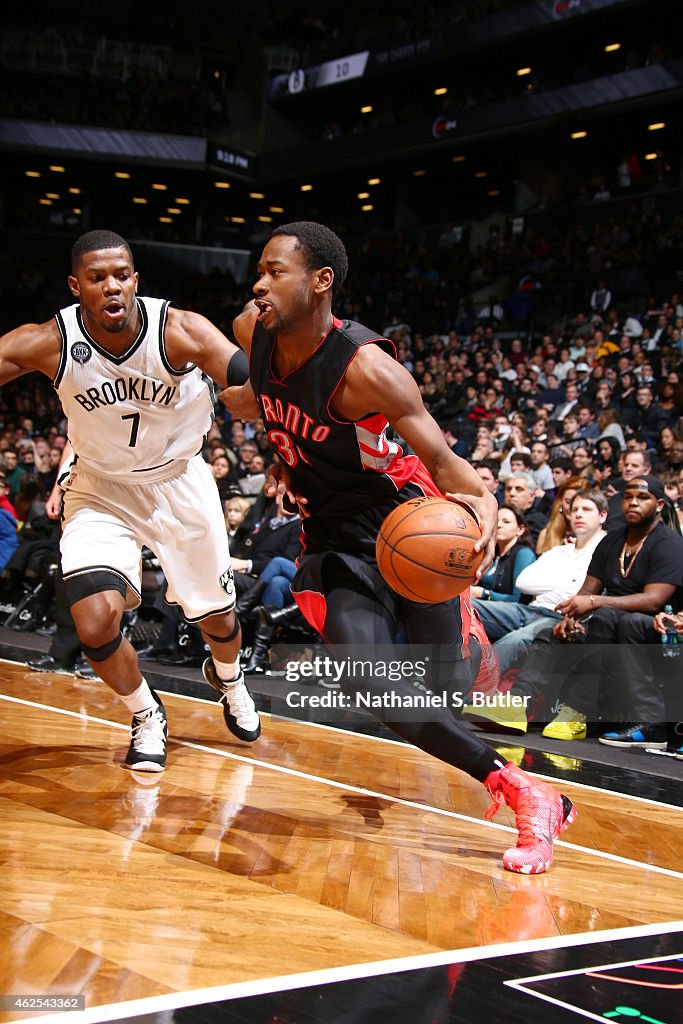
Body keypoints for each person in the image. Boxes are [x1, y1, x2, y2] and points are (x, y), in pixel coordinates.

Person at [225, 220, 576, 875]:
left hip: (407, 530)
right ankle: (525, 792)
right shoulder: (254, 330)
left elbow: (449, 466)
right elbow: (261, 395)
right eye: (260, 270)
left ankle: (468, 635)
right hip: (337, 544)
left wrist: (480, 523)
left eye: (276, 270)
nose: (259, 282)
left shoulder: (367, 370)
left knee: (435, 694)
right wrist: (242, 402)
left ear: (321, 281)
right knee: (374, 683)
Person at [0, 229, 261, 772]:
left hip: (179, 481)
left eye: (122, 275)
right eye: (98, 279)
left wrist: (259, 401)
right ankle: (146, 712)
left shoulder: (179, 330)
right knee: (94, 620)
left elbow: (251, 382)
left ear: (136, 280)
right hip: (101, 487)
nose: (112, 287)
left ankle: (229, 677)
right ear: (77, 287)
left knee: (215, 617)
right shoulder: (52, 341)